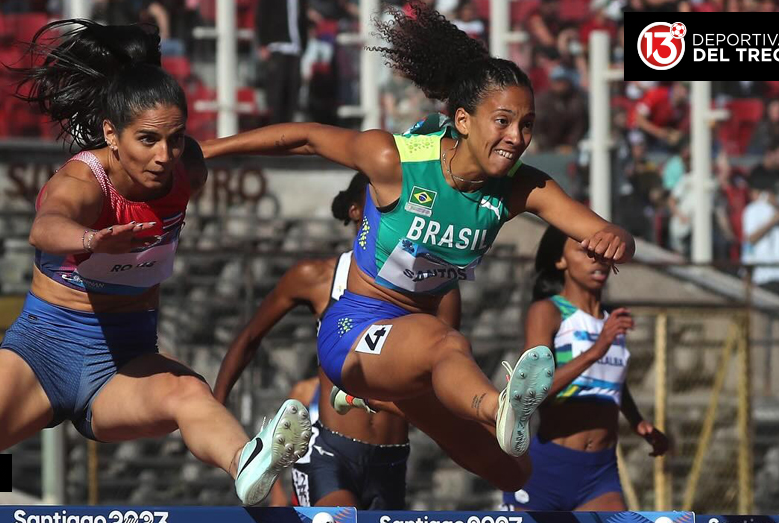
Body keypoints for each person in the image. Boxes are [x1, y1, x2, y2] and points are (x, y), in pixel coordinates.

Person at [0, 19, 310, 506]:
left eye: (176, 140)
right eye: (148, 140)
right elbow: (45, 226)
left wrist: (349, 148)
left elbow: (278, 140)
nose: (163, 156)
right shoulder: (83, 179)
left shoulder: (182, 166)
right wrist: (93, 239)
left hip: (126, 361)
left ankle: (249, 463)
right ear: (111, 135)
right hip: (42, 355)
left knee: (188, 394)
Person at [200, 1, 635, 491]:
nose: (517, 138)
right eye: (504, 121)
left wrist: (616, 241)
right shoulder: (396, 160)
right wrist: (204, 152)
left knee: (516, 471)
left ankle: (374, 397)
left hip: (413, 354)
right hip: (354, 328)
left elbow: (607, 230)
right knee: (447, 343)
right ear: (465, 120)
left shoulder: (520, 187)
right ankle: (499, 405)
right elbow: (302, 138)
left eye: (527, 125)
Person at [215, 173, 455, 508]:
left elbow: (442, 376)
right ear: (358, 210)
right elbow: (251, 335)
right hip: (331, 451)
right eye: (389, 204)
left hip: (393, 456)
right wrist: (217, 405)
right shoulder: (317, 277)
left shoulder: (435, 288)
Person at [502, 226, 669, 511]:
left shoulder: (611, 318)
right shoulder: (547, 312)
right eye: (585, 252)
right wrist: (596, 349)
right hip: (547, 469)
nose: (598, 260)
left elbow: (610, 378)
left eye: (602, 253)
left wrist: (636, 420)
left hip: (600, 474)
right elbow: (529, 392)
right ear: (560, 261)